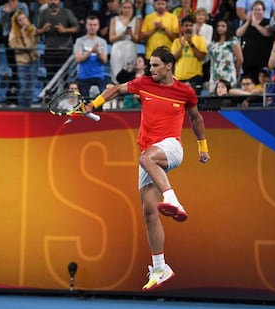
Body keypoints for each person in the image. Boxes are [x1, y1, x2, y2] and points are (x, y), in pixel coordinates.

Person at [88, 46, 210, 291]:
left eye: (155, 65)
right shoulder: (143, 83)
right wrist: (95, 103)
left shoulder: (185, 91)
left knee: (145, 159)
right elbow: (116, 89)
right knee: (149, 212)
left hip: (171, 148)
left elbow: (196, 118)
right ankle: (160, 267)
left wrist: (202, 147)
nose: (150, 69)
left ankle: (173, 198)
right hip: (150, 151)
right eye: (150, 65)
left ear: (168, 66)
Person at [36, 0, 79, 81]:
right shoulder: (43, 13)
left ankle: (63, 94)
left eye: (55, 0)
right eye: (51, 0)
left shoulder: (66, 12)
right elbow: (37, 31)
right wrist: (43, 30)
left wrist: (65, 30)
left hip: (65, 50)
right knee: (50, 77)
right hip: (50, 50)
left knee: (64, 78)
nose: (53, 2)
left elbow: (77, 28)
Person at [8, 10, 39, 107]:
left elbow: (31, 45)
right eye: (20, 20)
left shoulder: (33, 29)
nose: (23, 21)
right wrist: (25, 48)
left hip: (34, 61)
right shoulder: (13, 32)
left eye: (24, 18)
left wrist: (24, 34)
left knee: (31, 87)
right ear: (17, 22)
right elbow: (13, 46)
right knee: (24, 87)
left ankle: (28, 108)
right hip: (22, 63)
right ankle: (22, 108)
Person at [74, 15, 108, 101]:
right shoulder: (80, 41)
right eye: (90, 24)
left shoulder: (102, 42)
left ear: (98, 26)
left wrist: (97, 53)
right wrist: (90, 52)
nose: (92, 27)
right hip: (83, 78)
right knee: (84, 105)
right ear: (86, 26)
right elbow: (78, 59)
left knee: (98, 105)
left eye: (94, 25)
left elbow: (104, 60)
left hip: (98, 77)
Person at [171, 15, 207, 95]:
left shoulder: (200, 39)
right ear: (182, 27)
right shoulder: (177, 41)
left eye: (191, 25)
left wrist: (191, 44)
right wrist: (182, 47)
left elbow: (201, 57)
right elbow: (173, 59)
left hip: (195, 77)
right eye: (186, 25)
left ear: (194, 27)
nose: (188, 27)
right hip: (179, 77)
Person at [109, 0, 141, 84]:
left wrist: (131, 33)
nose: (126, 10)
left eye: (129, 8)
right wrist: (123, 33)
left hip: (130, 48)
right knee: (116, 72)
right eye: (124, 7)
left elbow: (137, 39)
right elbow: (111, 38)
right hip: (117, 48)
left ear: (132, 9)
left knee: (129, 72)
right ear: (121, 8)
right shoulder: (114, 19)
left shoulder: (137, 20)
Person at [208, 18, 243, 93]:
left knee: (228, 93)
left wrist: (236, 72)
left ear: (228, 28)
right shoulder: (213, 43)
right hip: (215, 73)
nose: (220, 28)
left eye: (223, 26)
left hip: (228, 72)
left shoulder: (232, 41)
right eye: (218, 26)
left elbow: (240, 59)